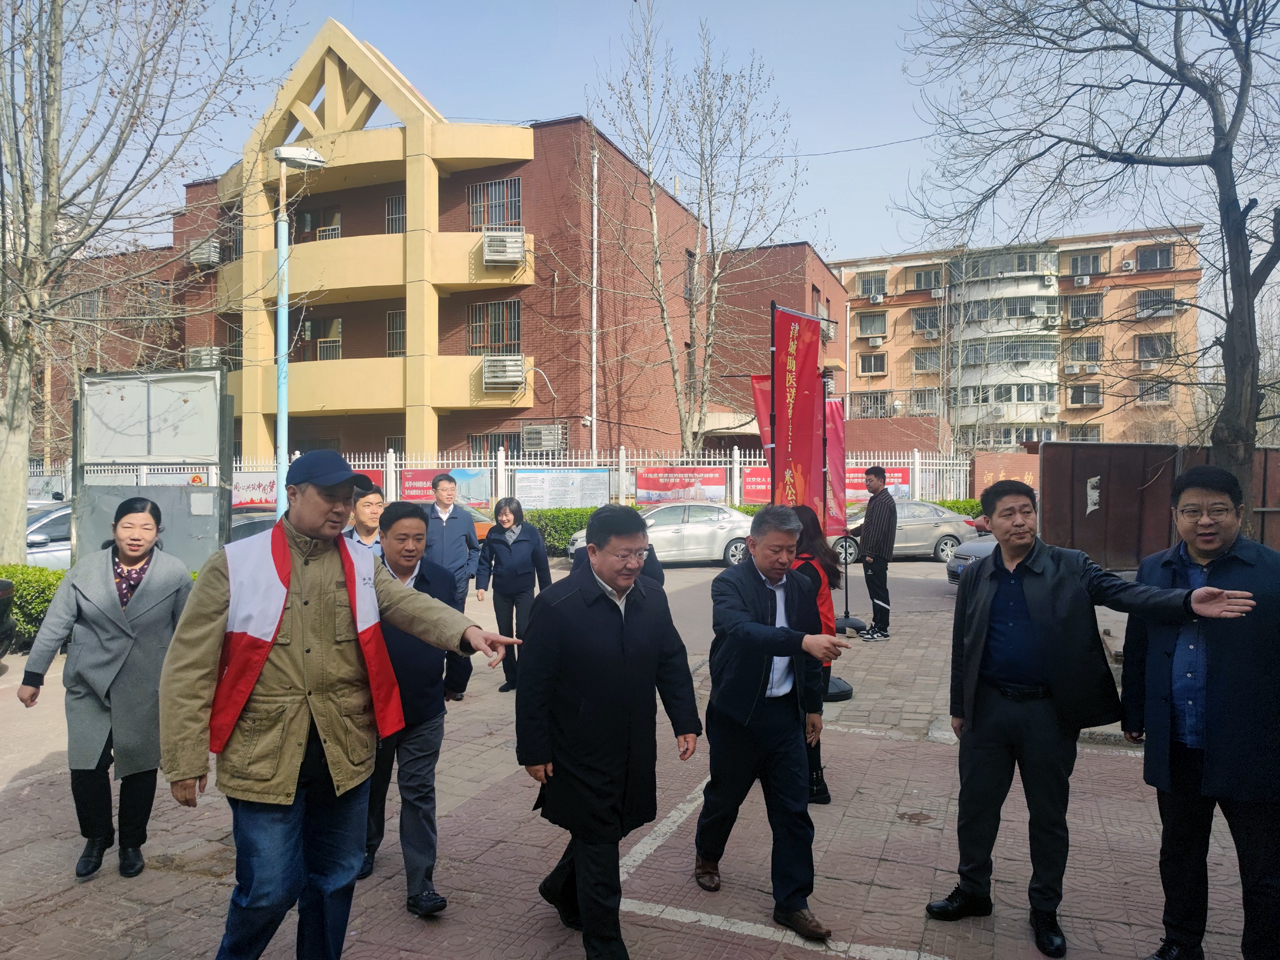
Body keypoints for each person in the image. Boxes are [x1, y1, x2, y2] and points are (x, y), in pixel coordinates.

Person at [158, 450, 516, 960]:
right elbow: (188, 667)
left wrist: (468, 631)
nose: (341, 508)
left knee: (335, 879)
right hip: (264, 755)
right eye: (329, 496)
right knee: (269, 889)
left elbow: (408, 604)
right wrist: (184, 758)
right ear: (293, 494)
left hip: (344, 751)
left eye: (347, 499)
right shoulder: (236, 563)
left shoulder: (361, 562)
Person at [929, 479, 1253, 959]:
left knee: (1048, 816)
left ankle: (1045, 909)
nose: (1019, 521)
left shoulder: (1071, 565)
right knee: (975, 809)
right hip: (988, 711)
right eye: (1008, 514)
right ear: (988, 522)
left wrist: (1186, 601)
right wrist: (960, 706)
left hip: (1048, 713)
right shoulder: (978, 574)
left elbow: (1128, 594)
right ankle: (973, 890)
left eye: (1026, 511)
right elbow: (964, 644)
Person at [517, 504, 701, 960]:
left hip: (633, 741)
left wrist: (684, 721)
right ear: (593, 552)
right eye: (623, 554)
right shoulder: (556, 605)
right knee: (601, 845)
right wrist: (533, 750)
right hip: (578, 747)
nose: (633, 564)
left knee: (605, 827)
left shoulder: (651, 596)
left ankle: (560, 886)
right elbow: (533, 687)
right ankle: (605, 947)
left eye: (641, 553)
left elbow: (671, 661)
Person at [1122, 466, 1280, 960]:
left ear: (1240, 513)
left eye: (1217, 510)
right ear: (1176, 515)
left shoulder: (1271, 571)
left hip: (1251, 746)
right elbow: (1139, 644)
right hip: (1177, 741)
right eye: (1192, 511)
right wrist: (1134, 712)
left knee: (1264, 864)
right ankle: (1181, 944)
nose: (1204, 521)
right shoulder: (1154, 570)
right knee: (1180, 853)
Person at [693, 505, 851, 942]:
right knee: (725, 797)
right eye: (775, 550)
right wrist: (802, 641)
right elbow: (742, 632)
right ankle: (708, 855)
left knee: (793, 812)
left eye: (791, 550)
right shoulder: (730, 583)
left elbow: (813, 655)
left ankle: (793, 902)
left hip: (785, 717)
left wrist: (814, 706)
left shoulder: (801, 585)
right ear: (752, 544)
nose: (784, 559)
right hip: (737, 715)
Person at [17, 497, 192, 879]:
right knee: (86, 766)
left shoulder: (175, 574)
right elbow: (56, 623)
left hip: (145, 685)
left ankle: (131, 844)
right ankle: (96, 838)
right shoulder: (85, 570)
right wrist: (33, 676)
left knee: (140, 768)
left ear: (157, 533)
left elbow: (189, 634)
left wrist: (190, 686)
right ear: (114, 528)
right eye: (128, 526)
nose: (136, 535)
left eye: (146, 527)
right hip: (89, 683)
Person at [358, 501, 459, 919]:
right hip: (373, 710)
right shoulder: (362, 579)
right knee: (371, 786)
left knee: (418, 792)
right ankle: (365, 848)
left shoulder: (441, 578)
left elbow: (452, 627)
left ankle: (421, 884)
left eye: (419, 538)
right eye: (401, 538)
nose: (411, 546)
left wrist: (456, 681)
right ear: (381, 538)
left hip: (424, 707)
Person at [791, 504, 841, 806]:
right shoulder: (815, 560)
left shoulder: (805, 567)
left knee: (809, 718)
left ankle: (814, 782)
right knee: (803, 717)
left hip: (813, 655)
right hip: (818, 652)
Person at [475, 497, 552, 692]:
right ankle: (511, 677)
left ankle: (526, 675)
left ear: (516, 514)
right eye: (500, 515)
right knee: (504, 634)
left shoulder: (530, 533)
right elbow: (484, 561)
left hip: (524, 589)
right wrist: (481, 585)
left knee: (523, 632)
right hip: (501, 590)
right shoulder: (493, 533)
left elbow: (542, 564)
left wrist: (548, 592)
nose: (503, 518)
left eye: (507, 514)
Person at [424, 473, 481, 702]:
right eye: (445, 489)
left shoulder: (464, 517)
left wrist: (469, 572)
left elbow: (475, 548)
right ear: (434, 492)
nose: (450, 493)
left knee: (456, 631)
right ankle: (431, 682)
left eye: (452, 489)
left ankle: (455, 684)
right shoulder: (424, 516)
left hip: (457, 583)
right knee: (430, 633)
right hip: (429, 583)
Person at [849, 465, 896, 640]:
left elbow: (878, 530)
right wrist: (852, 532)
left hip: (875, 556)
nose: (867, 483)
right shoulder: (876, 499)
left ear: (881, 481)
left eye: (870, 480)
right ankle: (876, 625)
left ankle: (882, 629)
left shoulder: (883, 501)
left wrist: (870, 553)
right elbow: (869, 525)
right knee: (875, 591)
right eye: (866, 481)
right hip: (872, 555)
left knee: (878, 591)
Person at [573, 541, 664, 585]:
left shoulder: (654, 593)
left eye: (639, 554)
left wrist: (645, 547)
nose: (633, 565)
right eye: (622, 556)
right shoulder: (583, 554)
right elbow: (575, 583)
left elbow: (658, 580)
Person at [343, 484, 385, 557]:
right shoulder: (342, 541)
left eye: (379, 506)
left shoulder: (391, 541)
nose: (375, 511)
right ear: (353, 510)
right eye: (368, 505)